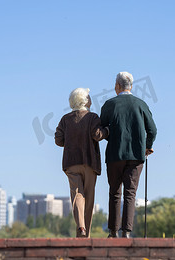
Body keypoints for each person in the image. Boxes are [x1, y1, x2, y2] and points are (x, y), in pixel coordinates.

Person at [100, 72, 157, 238]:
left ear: (117, 85)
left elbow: (101, 130)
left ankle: (113, 231)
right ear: (131, 86)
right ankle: (126, 232)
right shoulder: (141, 104)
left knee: (115, 192)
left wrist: (111, 134)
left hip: (115, 155)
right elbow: (152, 130)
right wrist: (147, 147)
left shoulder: (109, 104)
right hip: (136, 156)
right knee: (130, 193)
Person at [55, 88, 109, 238]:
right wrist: (108, 131)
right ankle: (87, 236)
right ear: (85, 100)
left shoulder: (65, 119)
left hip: (71, 163)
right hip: (90, 163)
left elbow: (58, 140)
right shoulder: (92, 117)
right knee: (89, 198)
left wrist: (71, 139)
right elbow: (97, 135)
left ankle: (81, 228)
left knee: (77, 194)